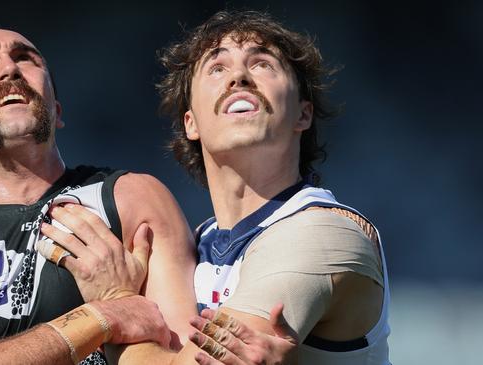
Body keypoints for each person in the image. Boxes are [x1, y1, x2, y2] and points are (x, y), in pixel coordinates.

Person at [49, 9, 391, 365]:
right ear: (191, 123)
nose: (239, 77)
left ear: (303, 114)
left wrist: (116, 304)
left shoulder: (323, 233)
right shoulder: (199, 243)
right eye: (217, 68)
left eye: (262, 64)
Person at [0, 29, 199, 365]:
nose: (9, 70)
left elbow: (182, 356)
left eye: (25, 58)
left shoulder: (129, 199)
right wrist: (101, 318)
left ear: (56, 111)